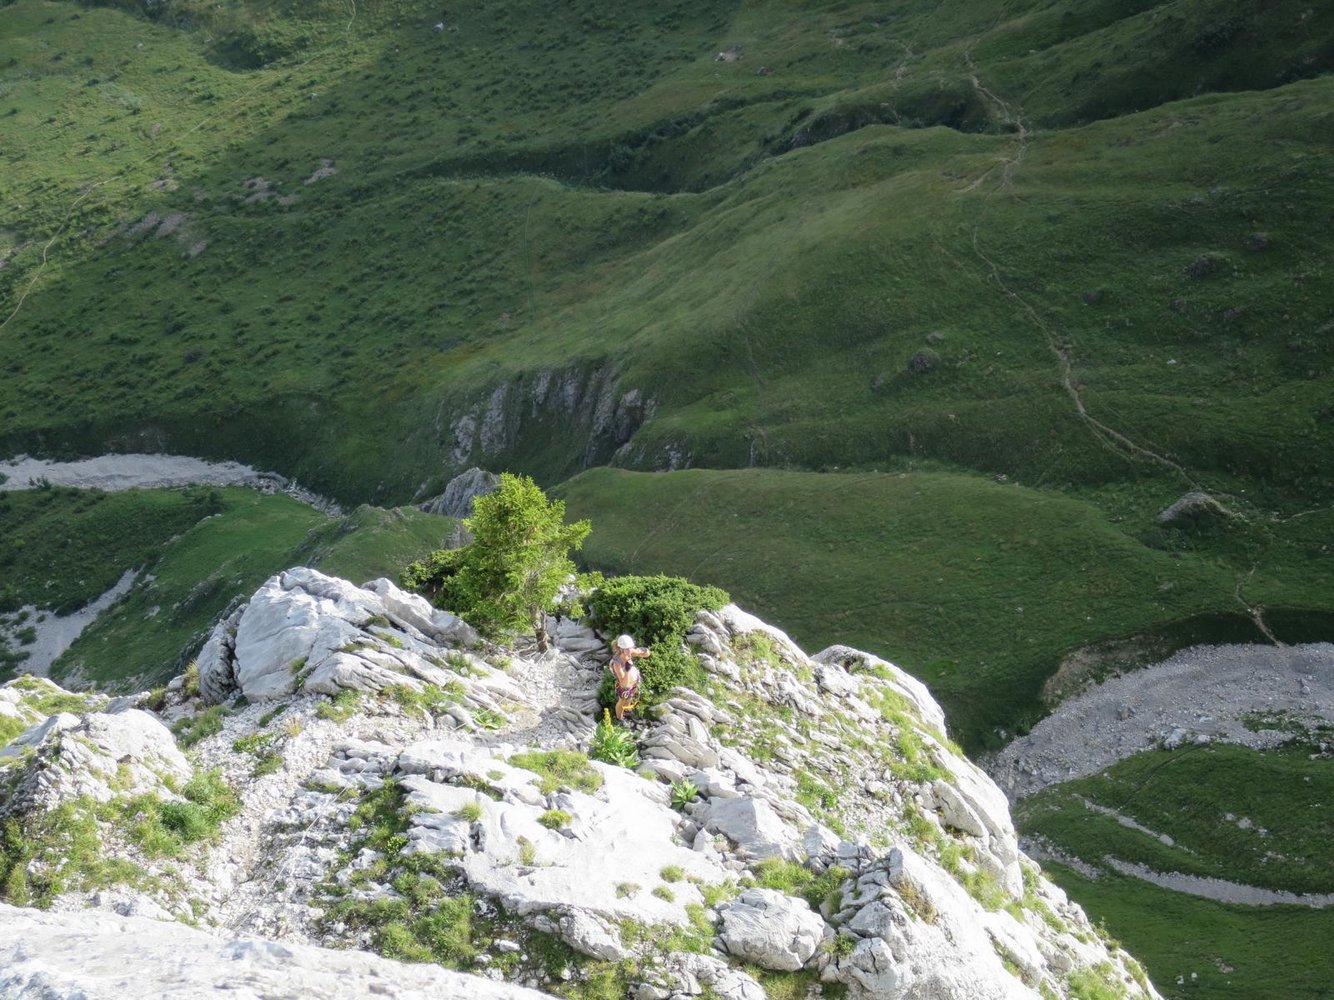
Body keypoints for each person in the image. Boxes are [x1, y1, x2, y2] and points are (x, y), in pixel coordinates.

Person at [608, 634, 650, 721]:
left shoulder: (630, 651)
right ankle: (620, 719)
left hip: (632, 681)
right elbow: (624, 683)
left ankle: (627, 710)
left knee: (630, 695)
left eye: (630, 648)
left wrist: (642, 651)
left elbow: (647, 654)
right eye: (626, 649)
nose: (629, 651)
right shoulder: (617, 663)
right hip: (624, 681)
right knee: (622, 699)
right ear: (621, 649)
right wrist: (628, 669)